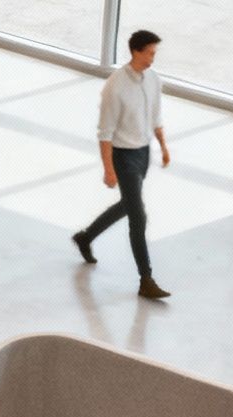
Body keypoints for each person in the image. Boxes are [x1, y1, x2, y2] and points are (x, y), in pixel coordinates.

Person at [73, 29, 172, 301]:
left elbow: (156, 116)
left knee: (128, 205)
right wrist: (108, 169)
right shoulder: (115, 87)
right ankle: (146, 279)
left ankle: (85, 237)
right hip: (123, 156)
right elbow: (104, 133)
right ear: (136, 52)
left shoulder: (153, 80)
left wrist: (163, 147)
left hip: (143, 153)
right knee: (138, 216)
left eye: (155, 53)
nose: (153, 58)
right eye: (150, 52)